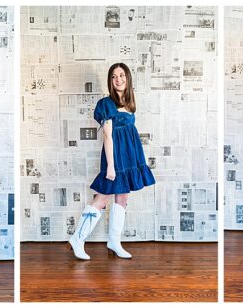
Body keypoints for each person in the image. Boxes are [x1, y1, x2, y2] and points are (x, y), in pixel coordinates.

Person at [68, 63, 156, 260]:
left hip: (130, 156)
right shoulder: (106, 104)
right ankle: (78, 238)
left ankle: (114, 241)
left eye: (122, 75)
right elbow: (107, 136)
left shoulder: (129, 103)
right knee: (103, 197)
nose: (118, 79)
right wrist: (110, 166)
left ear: (128, 78)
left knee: (123, 198)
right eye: (114, 76)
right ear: (110, 81)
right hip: (114, 157)